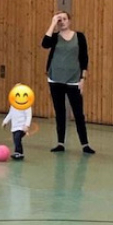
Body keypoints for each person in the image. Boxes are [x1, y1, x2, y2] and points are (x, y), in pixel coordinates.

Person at [42, 11, 95, 154]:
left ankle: (85, 144)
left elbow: (84, 58)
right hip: (55, 79)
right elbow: (44, 44)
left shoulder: (79, 37)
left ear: (69, 21)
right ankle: (60, 143)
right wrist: (53, 23)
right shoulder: (54, 37)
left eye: (64, 19)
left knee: (78, 113)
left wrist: (83, 79)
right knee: (60, 112)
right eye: (60, 20)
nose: (62, 22)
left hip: (73, 80)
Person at [2, 88, 32, 160]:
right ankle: (17, 152)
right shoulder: (13, 105)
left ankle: (19, 152)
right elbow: (10, 114)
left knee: (17, 138)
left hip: (22, 127)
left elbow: (28, 116)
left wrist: (26, 125)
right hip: (14, 127)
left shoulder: (27, 105)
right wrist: (5, 121)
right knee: (16, 139)